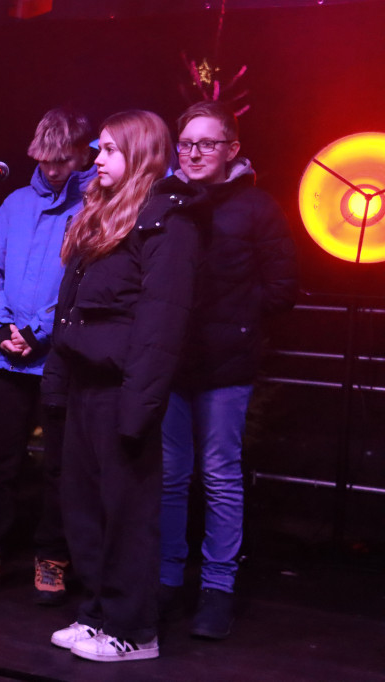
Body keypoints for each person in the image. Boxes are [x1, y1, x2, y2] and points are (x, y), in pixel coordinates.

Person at [39, 110, 204, 662]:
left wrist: (139, 406)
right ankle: (97, 614)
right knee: (83, 507)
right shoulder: (100, 214)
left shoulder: (167, 222)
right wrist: (58, 385)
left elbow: (161, 323)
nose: (98, 159)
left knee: (126, 513)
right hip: (86, 385)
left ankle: (135, 631)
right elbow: (71, 310)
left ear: (138, 154)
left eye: (110, 150)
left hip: (123, 390)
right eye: (100, 149)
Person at [159, 101, 298, 639]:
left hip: (227, 365)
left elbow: (283, 287)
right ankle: (167, 580)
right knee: (171, 477)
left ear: (231, 150)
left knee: (219, 476)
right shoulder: (166, 200)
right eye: (187, 143)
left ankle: (217, 589)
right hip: (171, 363)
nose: (194, 153)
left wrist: (235, 320)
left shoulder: (257, 207)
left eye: (206, 143)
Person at [0, 108, 94, 604]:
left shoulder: (92, 204)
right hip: (2, 354)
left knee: (60, 463)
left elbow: (81, 281)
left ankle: (52, 556)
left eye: (63, 159)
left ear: (80, 153)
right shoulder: (11, 205)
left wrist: (39, 332)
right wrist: (1, 327)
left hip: (57, 356)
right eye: (46, 160)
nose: (53, 169)